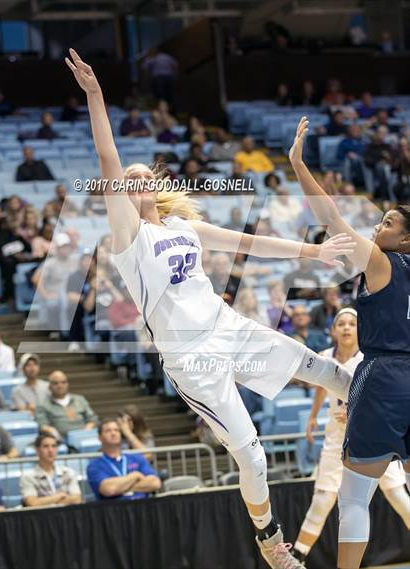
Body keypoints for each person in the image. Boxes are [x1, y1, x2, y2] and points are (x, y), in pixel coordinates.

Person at [65, 49, 356, 568]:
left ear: (154, 185)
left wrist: (311, 251)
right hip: (191, 359)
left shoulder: (183, 227)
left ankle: (390, 423)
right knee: (252, 453)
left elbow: (249, 242)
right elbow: (108, 159)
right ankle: (271, 541)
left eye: (140, 176)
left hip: (230, 328)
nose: (132, 181)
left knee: (331, 373)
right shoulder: (129, 238)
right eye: (125, 182)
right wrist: (96, 96)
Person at [290, 116, 410, 569]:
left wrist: (299, 166)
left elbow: (330, 218)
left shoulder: (382, 262)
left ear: (406, 239)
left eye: (389, 222)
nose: (380, 224)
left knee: (354, 495)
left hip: (384, 378)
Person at [292, 308, 410, 564]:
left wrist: (359, 412)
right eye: (341, 324)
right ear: (333, 330)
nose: (346, 328)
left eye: (352, 323)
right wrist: (313, 416)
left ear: (361, 330)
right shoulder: (324, 357)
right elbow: (324, 388)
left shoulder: (369, 360)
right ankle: (296, 557)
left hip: (371, 435)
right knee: (322, 500)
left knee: (398, 496)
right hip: (336, 441)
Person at [87, 418, 161, 500]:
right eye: (108, 431)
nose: (113, 433)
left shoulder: (136, 458)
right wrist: (135, 476)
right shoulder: (95, 465)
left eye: (116, 430)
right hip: (112, 508)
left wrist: (120, 487)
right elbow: (108, 489)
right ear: (100, 438)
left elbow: (155, 483)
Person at [20, 433, 82, 507]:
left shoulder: (68, 472)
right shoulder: (28, 477)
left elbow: (77, 499)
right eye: (46, 446)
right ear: (37, 450)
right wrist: (58, 497)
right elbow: (32, 503)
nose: (50, 450)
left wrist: (44, 501)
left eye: (54, 446)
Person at [35, 370, 98, 440]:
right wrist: (55, 435)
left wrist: (86, 431)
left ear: (67, 384)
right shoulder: (42, 405)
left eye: (63, 382)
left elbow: (93, 419)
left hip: (85, 436)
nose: (60, 386)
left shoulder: (80, 399)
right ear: (49, 386)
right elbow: (43, 426)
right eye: (55, 383)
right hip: (60, 440)